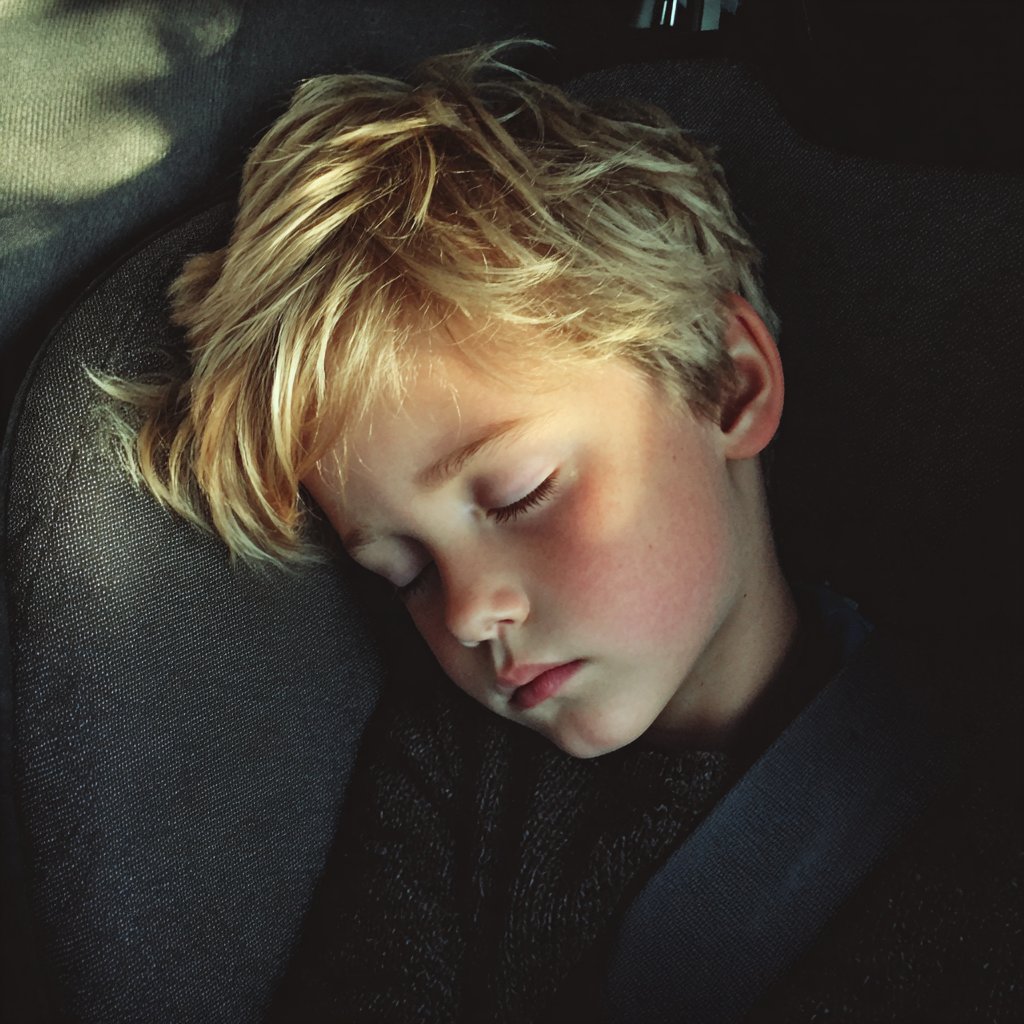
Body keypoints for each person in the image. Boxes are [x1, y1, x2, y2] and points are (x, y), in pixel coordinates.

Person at [94, 42, 1018, 1024]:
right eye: (405, 572)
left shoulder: (967, 801)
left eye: (516, 495)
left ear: (727, 386)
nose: (466, 613)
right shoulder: (449, 777)